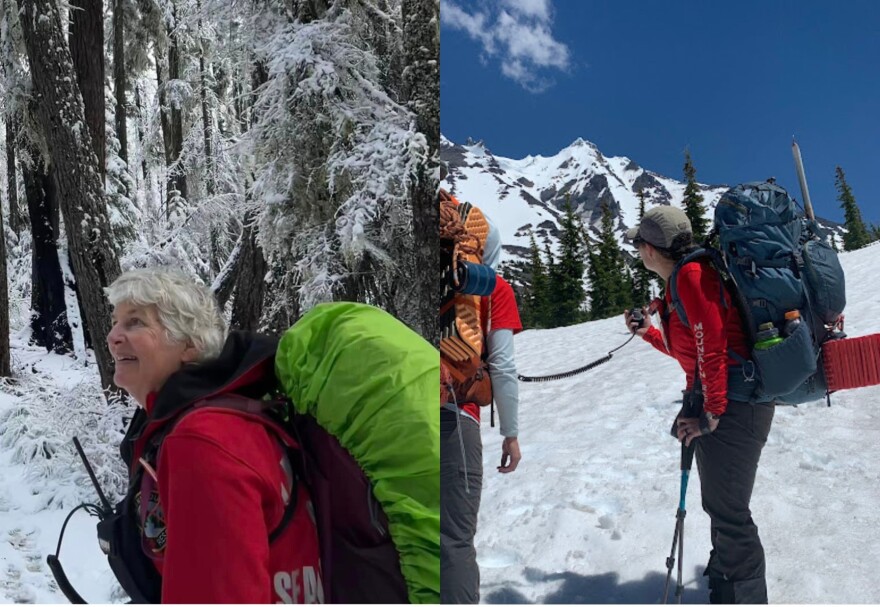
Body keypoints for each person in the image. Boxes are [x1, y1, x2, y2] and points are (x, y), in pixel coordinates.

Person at [105, 267, 323, 604]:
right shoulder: (239, 414)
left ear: (189, 345)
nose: (113, 336)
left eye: (135, 322)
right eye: (115, 322)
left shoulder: (200, 440)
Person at [623, 206, 774, 604]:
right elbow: (692, 351)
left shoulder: (690, 276)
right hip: (720, 401)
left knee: (730, 512)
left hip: (735, 406)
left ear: (651, 249)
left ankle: (744, 596)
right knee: (719, 503)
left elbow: (714, 345)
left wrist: (713, 413)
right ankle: (725, 582)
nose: (638, 251)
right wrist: (648, 335)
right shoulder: (681, 281)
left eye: (639, 244)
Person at [440, 219, 523, 604]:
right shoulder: (492, 286)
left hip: (394, 409)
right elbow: (503, 366)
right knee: (453, 540)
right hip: (455, 415)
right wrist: (511, 433)